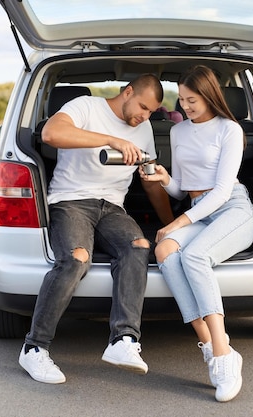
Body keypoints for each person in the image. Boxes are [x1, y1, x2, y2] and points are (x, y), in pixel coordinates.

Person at [19, 74, 172, 384]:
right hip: (71, 201)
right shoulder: (86, 107)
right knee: (76, 257)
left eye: (151, 113)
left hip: (113, 208)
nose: (144, 117)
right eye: (142, 107)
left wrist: (170, 224)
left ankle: (123, 341)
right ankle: (34, 348)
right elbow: (51, 133)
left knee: (139, 246)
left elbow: (150, 180)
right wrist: (109, 139)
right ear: (127, 92)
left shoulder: (143, 129)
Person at [140, 65, 253, 402]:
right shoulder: (178, 133)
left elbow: (220, 192)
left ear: (209, 96)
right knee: (164, 251)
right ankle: (210, 342)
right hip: (197, 212)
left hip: (231, 209)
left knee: (193, 256)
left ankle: (222, 356)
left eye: (191, 100)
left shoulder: (229, 130)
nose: (185, 106)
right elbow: (182, 191)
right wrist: (164, 179)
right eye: (182, 100)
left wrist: (178, 223)